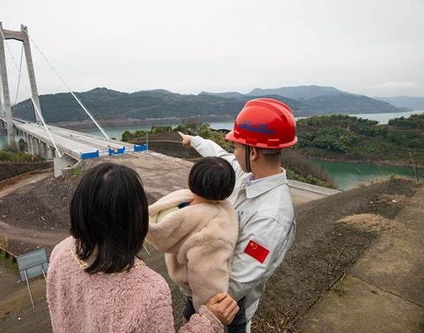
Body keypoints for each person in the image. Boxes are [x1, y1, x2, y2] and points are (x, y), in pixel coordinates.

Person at [46, 162, 239, 333]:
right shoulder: (148, 291)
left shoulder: (62, 251)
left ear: (79, 207)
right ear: (136, 218)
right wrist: (209, 321)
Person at [178, 98, 297, 332]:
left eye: (237, 145)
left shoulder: (272, 216)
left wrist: (199, 307)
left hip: (226, 312)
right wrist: (194, 141)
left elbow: (237, 281)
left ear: (252, 152)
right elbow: (222, 157)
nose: (233, 151)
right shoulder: (248, 174)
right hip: (204, 296)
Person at [146, 157, 240, 319]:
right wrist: (206, 316)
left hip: (181, 276)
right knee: (191, 318)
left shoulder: (179, 199)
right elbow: (207, 279)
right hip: (195, 293)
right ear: (227, 189)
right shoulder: (215, 232)